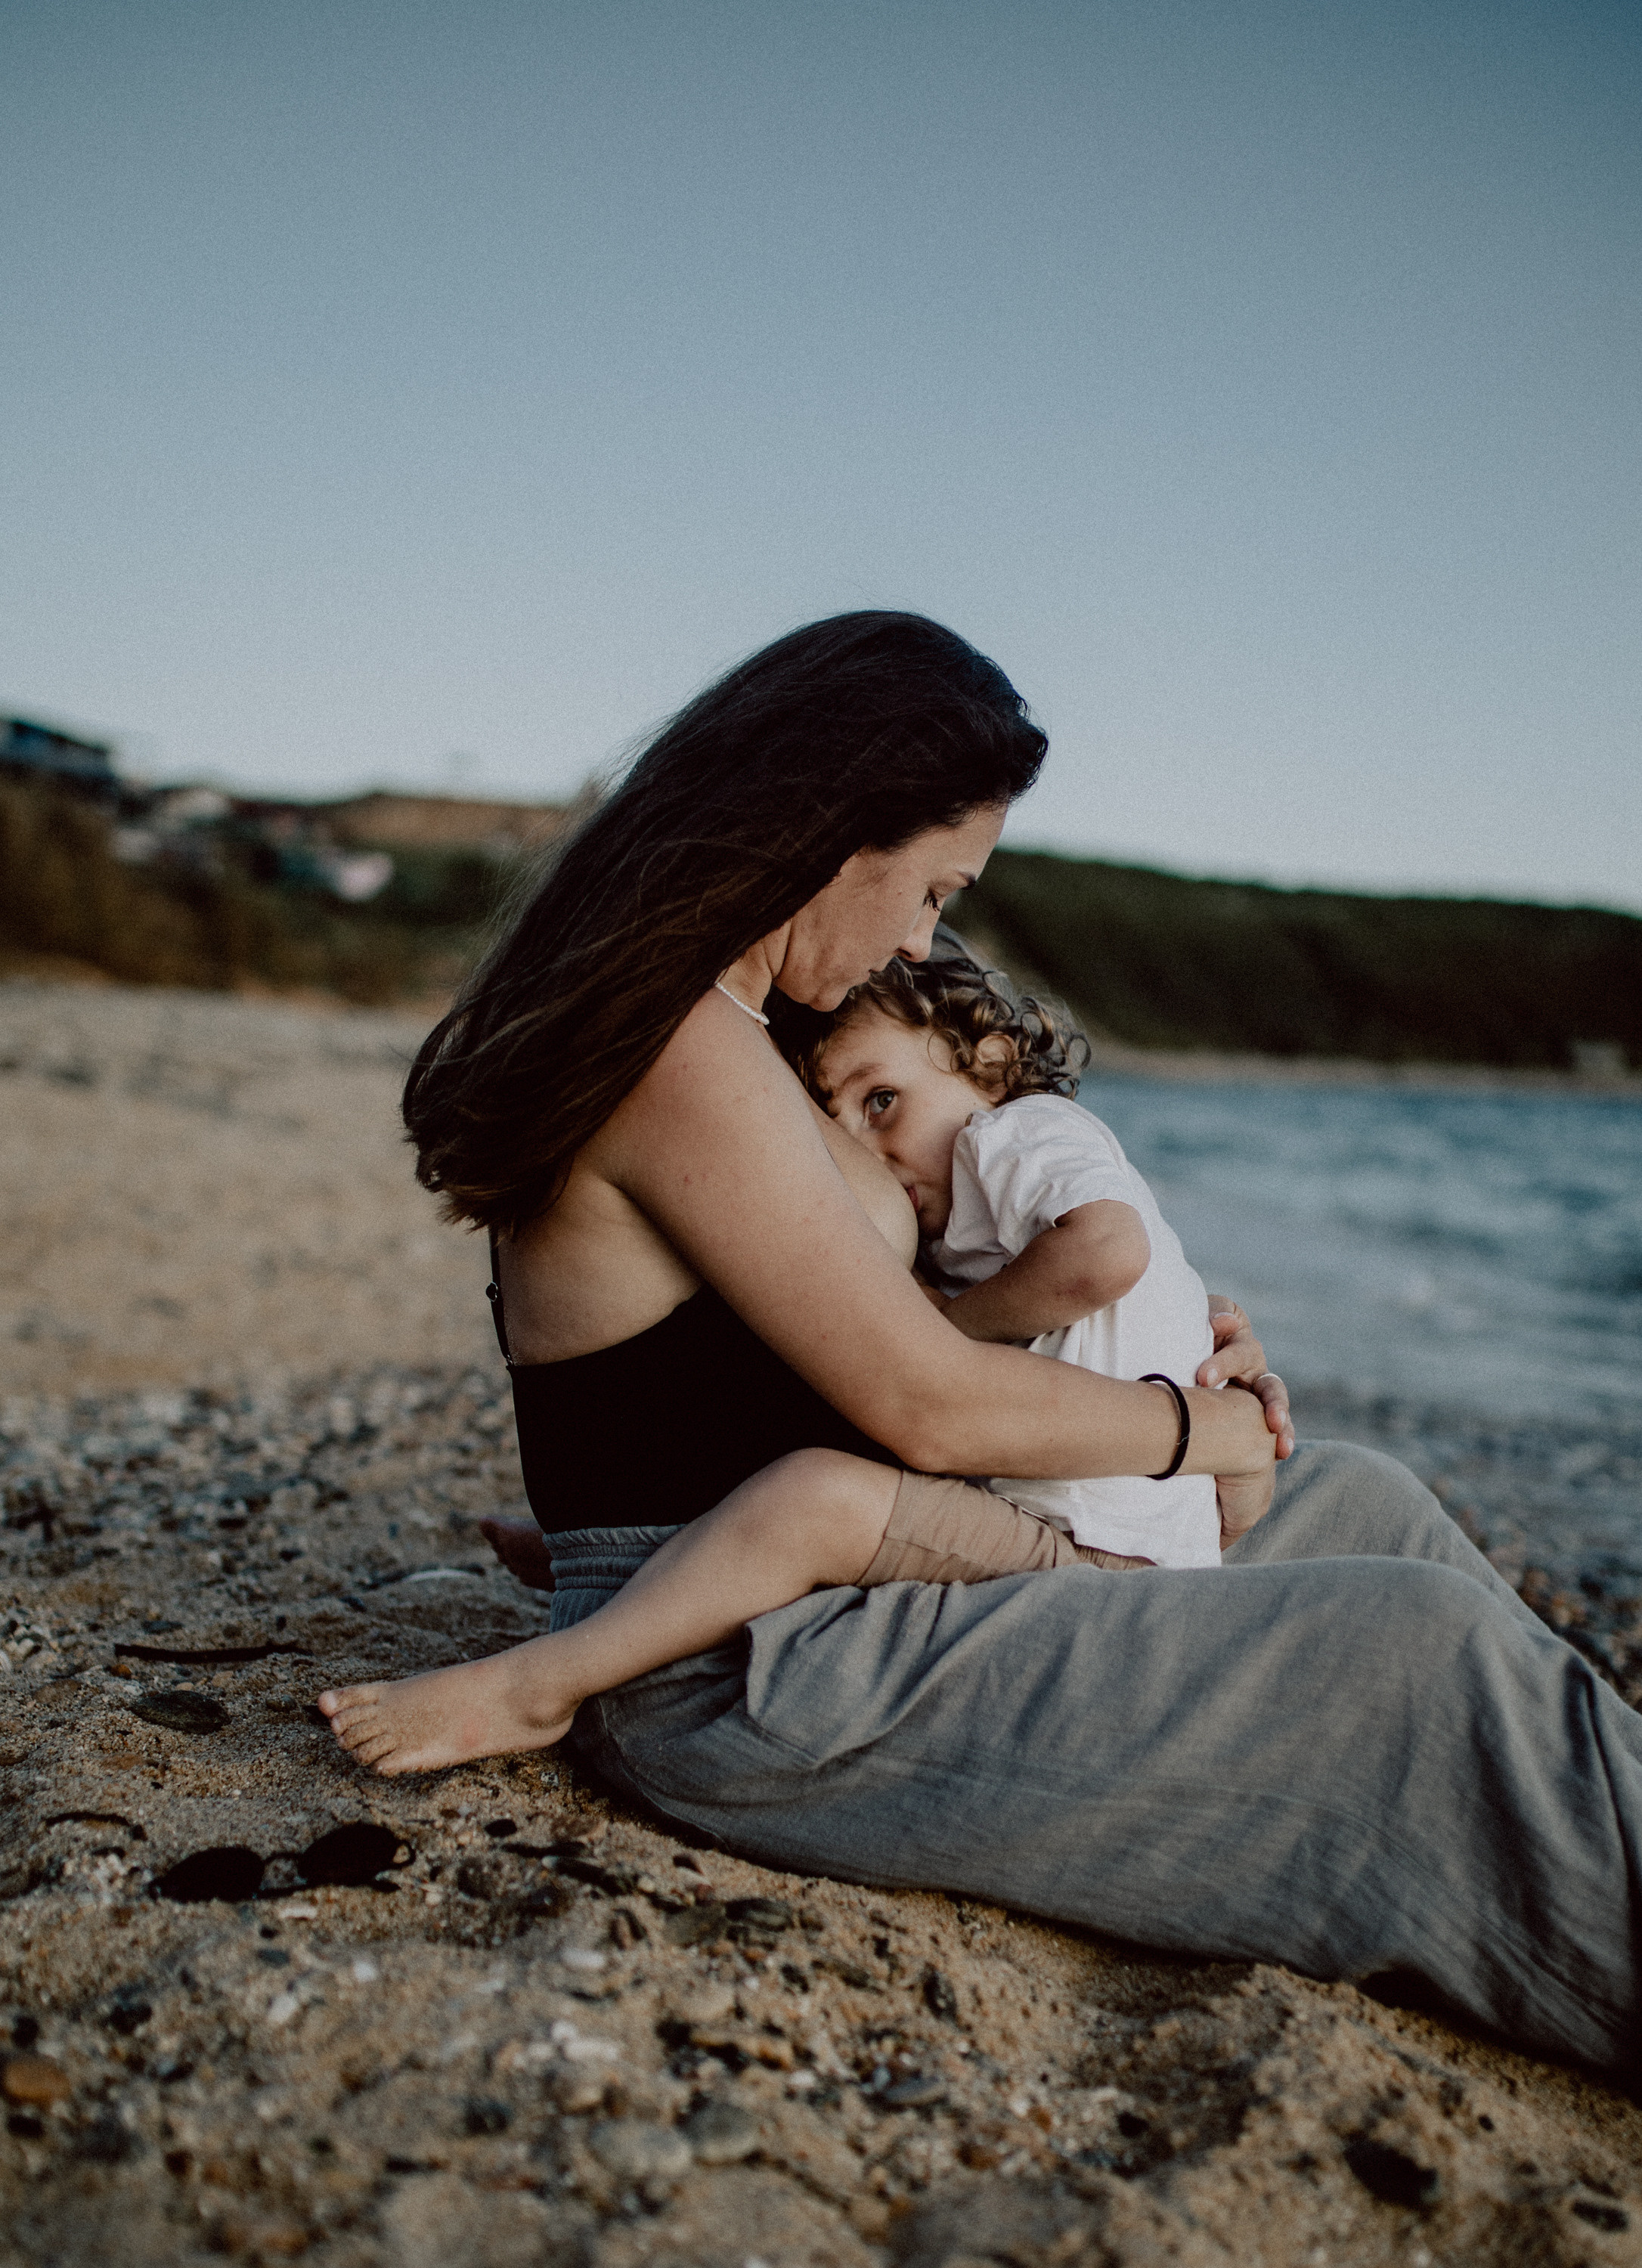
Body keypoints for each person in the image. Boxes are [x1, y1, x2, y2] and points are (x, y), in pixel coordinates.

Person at [319, 610, 1642, 2077]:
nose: (923, 939)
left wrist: (1164, 1343)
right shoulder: (678, 1053)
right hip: (740, 1658)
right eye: (935, 886)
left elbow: (840, 1352)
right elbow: (929, 1402)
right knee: (1415, 1656)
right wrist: (1192, 1427)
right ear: (826, 830)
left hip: (877, 1546)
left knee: (1365, 1507)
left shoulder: (773, 1031)